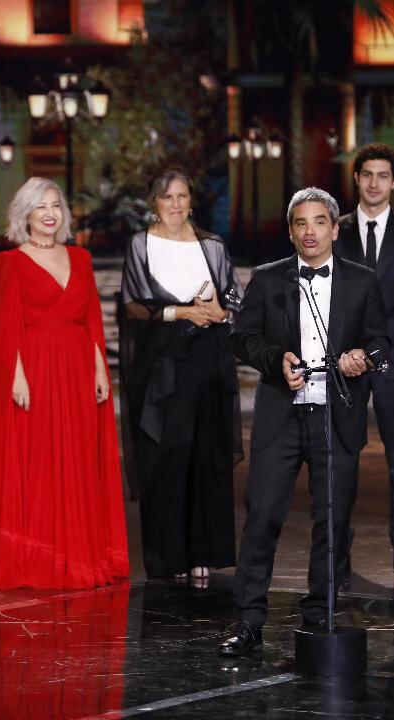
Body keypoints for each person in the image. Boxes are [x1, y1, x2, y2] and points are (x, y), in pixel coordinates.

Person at [218, 187, 389, 657]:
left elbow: (381, 341)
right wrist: (276, 361)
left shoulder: (362, 281)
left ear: (335, 229)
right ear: (291, 232)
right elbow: (242, 338)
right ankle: (249, 621)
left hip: (337, 415)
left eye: (319, 222)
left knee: (333, 520)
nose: (310, 231)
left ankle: (320, 617)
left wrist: (362, 356)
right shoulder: (268, 278)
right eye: (300, 223)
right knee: (261, 517)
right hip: (282, 416)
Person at [0, 177, 128, 589]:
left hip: (77, 367)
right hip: (34, 368)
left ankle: (78, 553)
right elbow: (6, 327)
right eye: (41, 207)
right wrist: (16, 377)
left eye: (55, 205)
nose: (50, 214)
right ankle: (40, 555)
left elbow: (91, 320)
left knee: (78, 458)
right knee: (39, 461)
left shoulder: (81, 258)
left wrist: (99, 369)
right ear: (25, 214)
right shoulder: (10, 262)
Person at [119, 169, 243, 580]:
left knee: (205, 454)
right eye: (167, 196)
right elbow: (133, 305)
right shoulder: (141, 245)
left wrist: (220, 311)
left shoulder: (212, 245)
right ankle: (169, 556)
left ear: (191, 202)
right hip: (162, 367)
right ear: (154, 203)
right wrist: (183, 312)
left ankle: (205, 550)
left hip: (207, 362)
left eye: (182, 196)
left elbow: (234, 299)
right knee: (168, 456)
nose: (175, 204)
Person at [336, 144, 394, 575]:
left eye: (382, 175)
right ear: (356, 178)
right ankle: (338, 549)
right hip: (346, 361)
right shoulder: (334, 230)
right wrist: (353, 351)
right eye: (367, 174)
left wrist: (375, 348)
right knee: (342, 456)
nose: (374, 183)